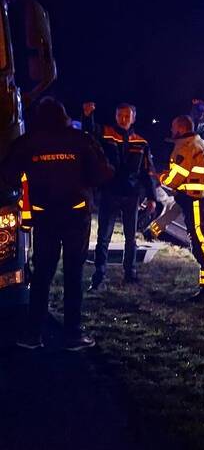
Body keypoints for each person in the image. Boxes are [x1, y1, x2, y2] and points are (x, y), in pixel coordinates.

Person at [1, 98, 114, 350]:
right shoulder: (81, 140)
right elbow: (102, 173)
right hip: (76, 215)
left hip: (45, 216)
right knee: (74, 273)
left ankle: (32, 334)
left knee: (42, 273)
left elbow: (8, 174)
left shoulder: (28, 142)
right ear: (64, 115)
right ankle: (72, 334)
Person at [91, 103, 158, 290]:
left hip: (132, 195)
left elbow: (147, 172)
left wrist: (152, 197)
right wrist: (88, 115)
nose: (123, 119)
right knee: (103, 237)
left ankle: (130, 273)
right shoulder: (106, 135)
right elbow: (89, 131)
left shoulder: (141, 142)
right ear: (115, 116)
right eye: (120, 115)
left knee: (131, 237)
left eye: (127, 116)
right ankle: (99, 275)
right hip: (109, 192)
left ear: (133, 118)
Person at [159, 115, 204, 301]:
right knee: (200, 239)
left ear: (181, 128)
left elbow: (175, 177)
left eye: (173, 127)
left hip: (194, 200)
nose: (171, 130)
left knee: (199, 242)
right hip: (201, 198)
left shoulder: (186, 147)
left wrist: (161, 178)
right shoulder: (203, 144)